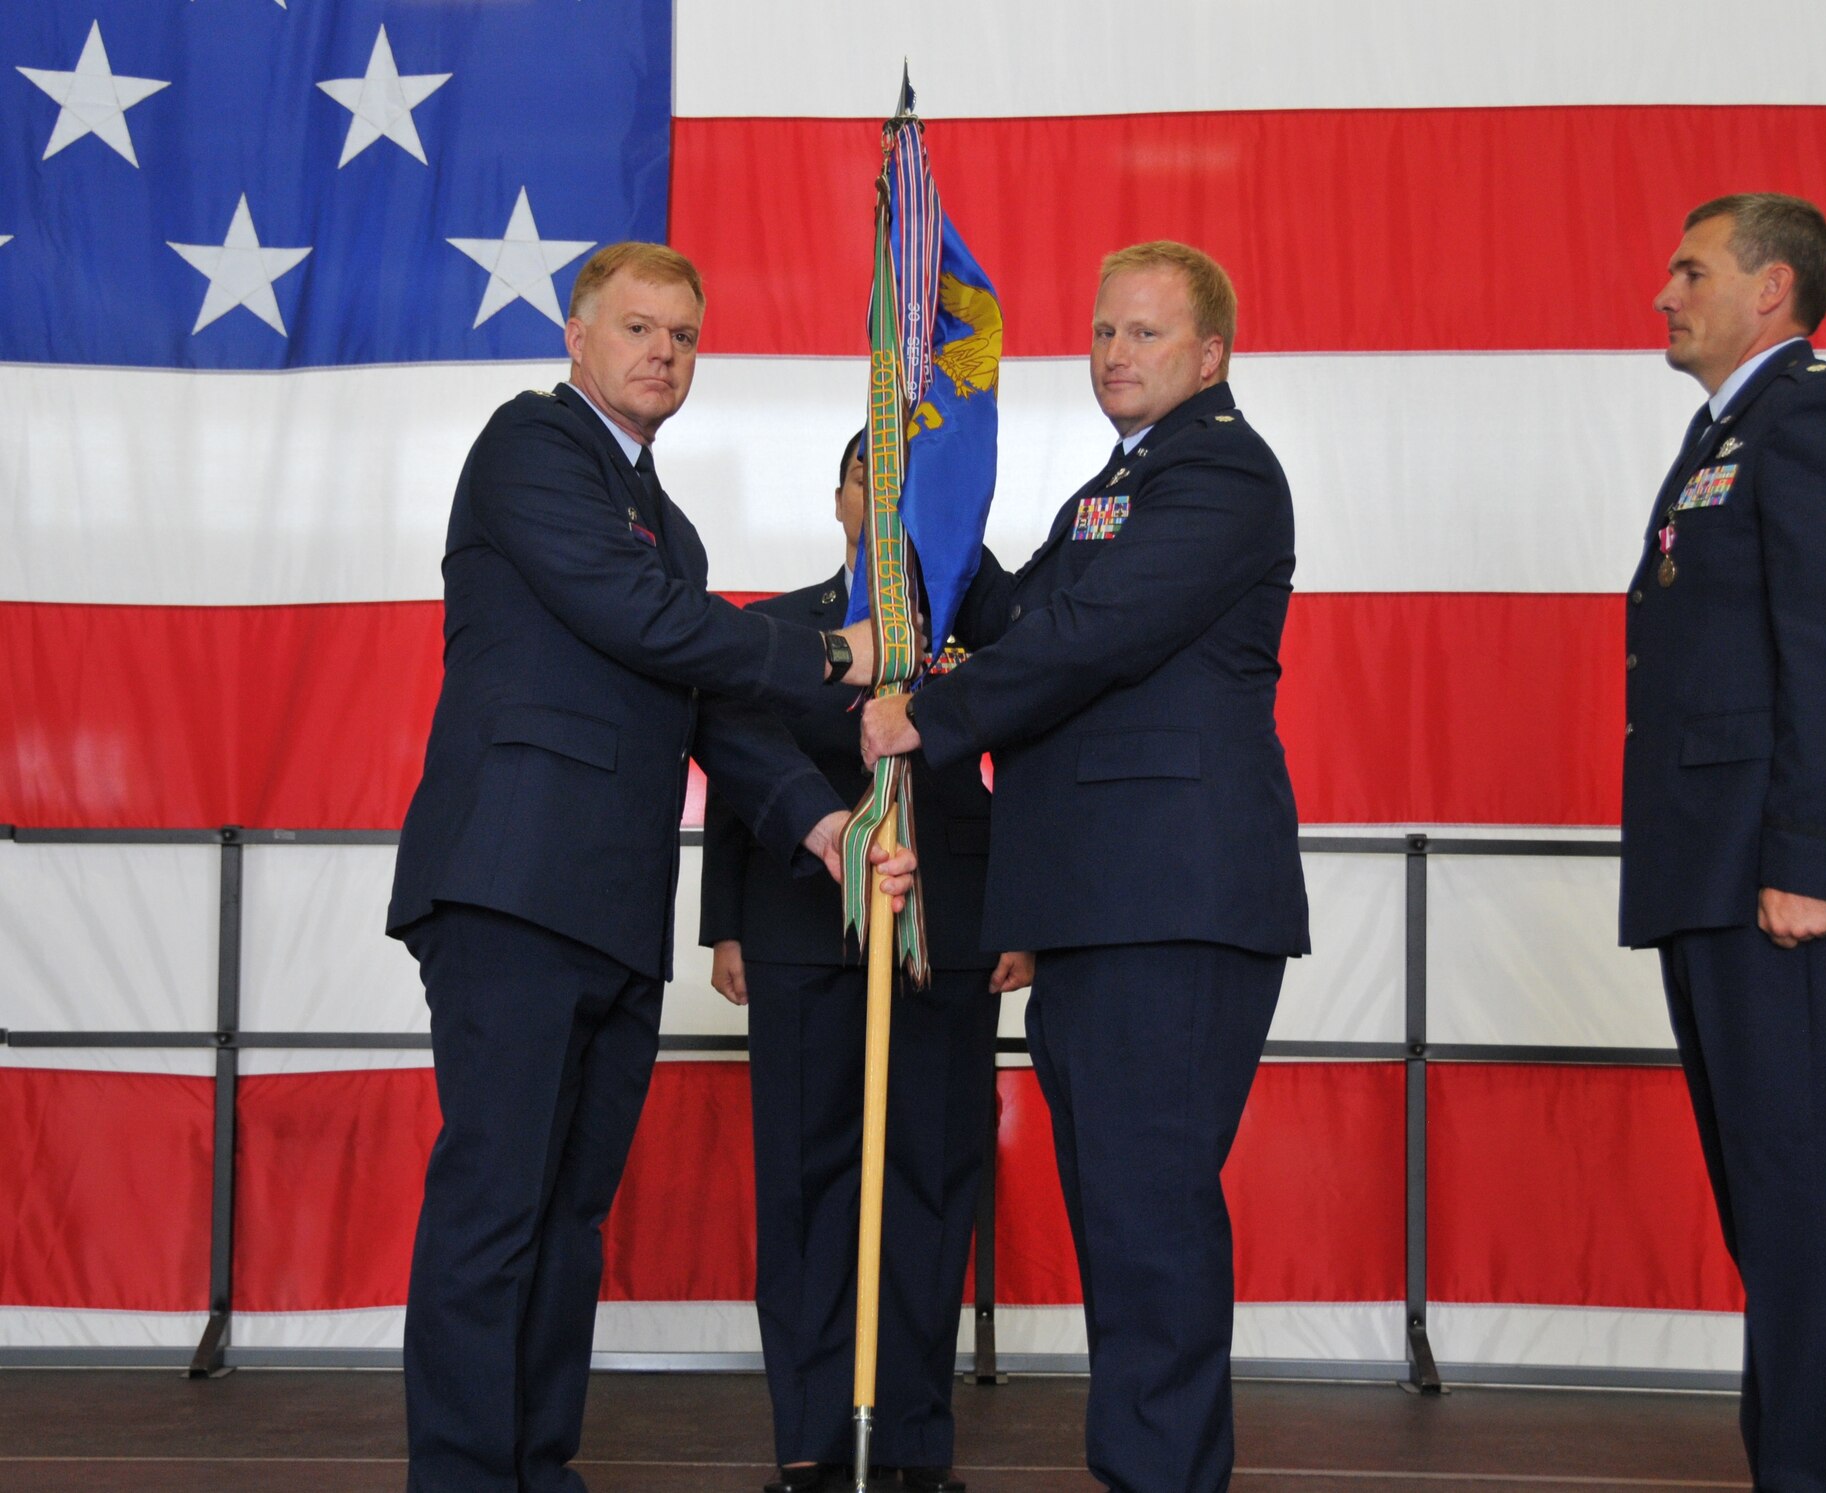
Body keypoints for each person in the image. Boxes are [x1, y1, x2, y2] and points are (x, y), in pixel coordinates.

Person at [386, 242, 910, 1493]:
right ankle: (462, 1477)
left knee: (566, 1218)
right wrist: (838, 654)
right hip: (510, 881)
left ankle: (533, 1463)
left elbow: (711, 709)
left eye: (681, 333)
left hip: (614, 907)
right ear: (575, 336)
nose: (661, 352)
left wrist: (821, 826)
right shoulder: (531, 446)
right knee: (496, 1203)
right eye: (636, 327)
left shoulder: (667, 522)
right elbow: (646, 623)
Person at [860, 241, 1309, 1493]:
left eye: (1145, 334)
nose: (1113, 351)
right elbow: (1029, 621)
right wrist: (928, 525)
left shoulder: (1219, 470)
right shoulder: (1118, 484)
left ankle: (1158, 1477)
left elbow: (1097, 634)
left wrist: (928, 718)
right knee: (1123, 1214)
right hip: (1101, 903)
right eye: (1104, 329)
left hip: (1169, 897)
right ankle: (1146, 1471)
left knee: (1147, 1217)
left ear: (1209, 354)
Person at [1624, 194, 1826, 1492]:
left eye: (1691, 270)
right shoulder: (1732, 431)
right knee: (1777, 1219)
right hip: (1722, 875)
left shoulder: (1814, 421)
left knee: (1804, 1215)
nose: (1663, 293)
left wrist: (1810, 857)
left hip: (1781, 882)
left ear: (1773, 289)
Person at [701, 430, 1031, 1493]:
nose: (880, 498)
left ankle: (912, 1443)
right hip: (800, 930)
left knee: (931, 1179)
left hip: (950, 926)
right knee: (808, 1182)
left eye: (905, 487)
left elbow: (1030, 756)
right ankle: (807, 1438)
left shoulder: (981, 630)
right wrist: (725, 926)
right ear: (835, 496)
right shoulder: (774, 631)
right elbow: (735, 783)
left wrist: (1026, 908)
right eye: (865, 477)